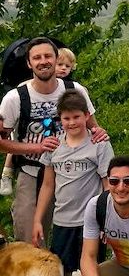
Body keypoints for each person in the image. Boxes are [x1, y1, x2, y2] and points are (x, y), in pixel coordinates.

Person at [0, 37, 107, 243]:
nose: (43, 61)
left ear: (57, 58)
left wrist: (99, 133)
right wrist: (37, 147)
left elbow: (93, 125)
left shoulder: (75, 90)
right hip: (32, 173)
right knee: (30, 240)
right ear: (29, 63)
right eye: (37, 57)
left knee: (78, 240)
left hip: (75, 174)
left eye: (48, 56)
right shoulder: (15, 98)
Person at [31, 89, 113, 276]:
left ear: (87, 116)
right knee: (62, 268)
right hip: (62, 219)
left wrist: (106, 221)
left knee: (92, 268)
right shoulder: (54, 146)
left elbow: (107, 185)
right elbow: (47, 185)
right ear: (60, 120)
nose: (72, 123)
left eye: (77, 117)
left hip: (89, 221)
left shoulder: (99, 145)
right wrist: (37, 219)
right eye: (66, 118)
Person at [1, 47, 79, 197]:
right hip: (30, 165)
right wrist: (37, 147)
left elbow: (88, 123)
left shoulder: (74, 89)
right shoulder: (20, 93)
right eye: (60, 65)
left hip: (66, 166)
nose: (63, 69)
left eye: (67, 66)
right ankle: (7, 173)